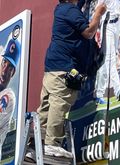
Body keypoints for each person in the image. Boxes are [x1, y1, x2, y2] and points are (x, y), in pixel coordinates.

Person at [30, 0, 106, 159]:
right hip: (63, 68)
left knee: (46, 108)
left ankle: (38, 143)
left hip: (52, 68)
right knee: (59, 103)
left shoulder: (63, 9)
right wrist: (99, 12)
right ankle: (52, 144)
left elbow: (78, 7)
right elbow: (89, 32)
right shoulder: (69, 10)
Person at [95, 0, 120, 104]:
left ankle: (99, 93)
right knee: (109, 59)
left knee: (108, 60)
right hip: (107, 24)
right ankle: (117, 89)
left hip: (117, 23)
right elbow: (97, 9)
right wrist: (95, 30)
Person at [0, 39, 20, 160]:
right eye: (4, 63)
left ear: (13, 73)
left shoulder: (8, 96)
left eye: (10, 68)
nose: (4, 71)